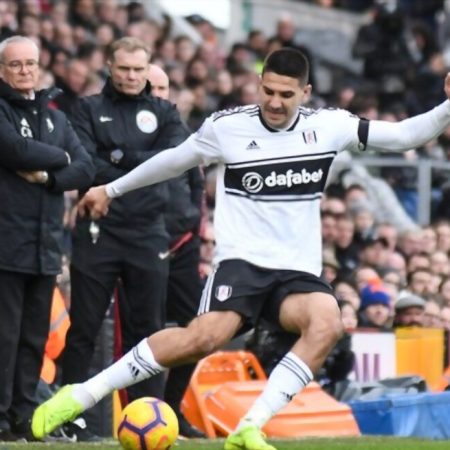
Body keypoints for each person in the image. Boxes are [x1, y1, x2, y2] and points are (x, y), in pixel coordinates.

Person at [32, 48, 450, 450]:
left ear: (305, 94)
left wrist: (447, 106)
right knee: (202, 339)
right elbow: (172, 161)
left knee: (328, 325)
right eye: (268, 90)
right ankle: (81, 395)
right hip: (241, 264)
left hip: (296, 271)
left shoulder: (329, 126)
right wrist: (111, 188)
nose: (274, 101)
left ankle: (249, 427)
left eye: (286, 94)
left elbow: (405, 136)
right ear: (259, 84)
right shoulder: (227, 127)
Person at [59, 37, 189, 441]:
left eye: (139, 69)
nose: (132, 76)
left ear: (148, 69)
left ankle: (147, 416)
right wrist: (137, 162)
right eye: (124, 69)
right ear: (110, 68)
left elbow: (172, 161)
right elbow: (84, 162)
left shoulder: (165, 111)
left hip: (149, 232)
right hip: (99, 231)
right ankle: (70, 419)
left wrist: (115, 157)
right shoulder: (87, 108)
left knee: (147, 331)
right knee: (83, 327)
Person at [0, 35, 94, 441]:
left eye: (30, 63)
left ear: (39, 67)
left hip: (45, 246)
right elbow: (15, 150)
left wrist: (49, 176)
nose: (24, 71)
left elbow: (87, 167)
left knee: (33, 338)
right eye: (16, 64)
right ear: (2, 70)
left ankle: (23, 417)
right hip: (5, 244)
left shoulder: (56, 117)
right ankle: (0, 417)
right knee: (4, 337)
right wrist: (61, 158)